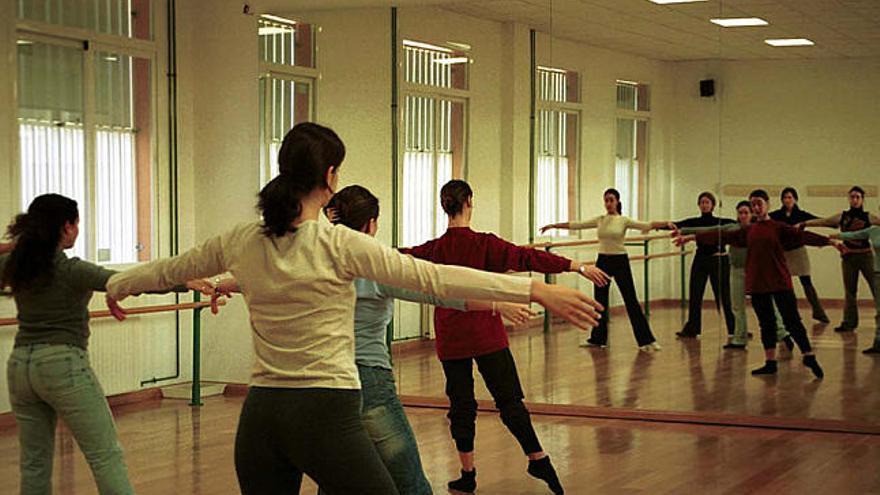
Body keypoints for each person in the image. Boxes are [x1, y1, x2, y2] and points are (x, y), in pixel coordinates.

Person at [104, 123, 603, 495]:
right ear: (330, 176)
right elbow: (433, 277)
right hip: (324, 411)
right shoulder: (338, 244)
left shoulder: (241, 239)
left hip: (261, 416)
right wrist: (534, 290)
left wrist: (119, 283)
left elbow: (170, 269)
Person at [402, 179, 609, 495]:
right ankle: (538, 458)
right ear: (469, 201)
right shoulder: (484, 244)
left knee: (461, 405)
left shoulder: (434, 249)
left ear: (444, 206)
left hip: (451, 338)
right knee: (509, 400)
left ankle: (467, 474)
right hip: (486, 335)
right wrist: (576, 266)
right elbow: (529, 258)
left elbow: (398, 259)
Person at [2, 194, 135, 495]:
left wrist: (16, 246)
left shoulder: (16, 264)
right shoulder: (72, 269)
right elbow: (130, 281)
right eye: (76, 224)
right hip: (62, 365)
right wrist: (185, 281)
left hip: (21, 366)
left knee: (34, 464)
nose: (77, 230)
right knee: (105, 456)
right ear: (66, 227)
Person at [676, 189, 833, 378]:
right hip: (758, 284)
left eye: (759, 203)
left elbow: (803, 236)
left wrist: (830, 242)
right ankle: (770, 362)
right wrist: (691, 237)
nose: (756, 207)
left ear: (768, 204)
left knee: (792, 322)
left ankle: (808, 355)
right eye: (753, 205)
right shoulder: (748, 231)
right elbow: (721, 235)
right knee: (766, 324)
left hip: (779, 282)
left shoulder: (778, 227)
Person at [541, 188, 662, 351]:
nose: (608, 203)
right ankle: (598, 339)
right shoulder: (600, 219)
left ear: (617, 201)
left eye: (611, 200)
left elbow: (646, 225)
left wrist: (667, 224)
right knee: (599, 302)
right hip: (603, 261)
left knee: (631, 300)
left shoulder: (624, 220)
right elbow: (577, 225)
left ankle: (647, 340)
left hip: (620, 261)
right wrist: (553, 225)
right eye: (606, 200)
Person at [677, 200, 792, 350]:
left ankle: (782, 333)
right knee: (737, 306)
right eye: (740, 213)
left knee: (768, 305)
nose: (743, 216)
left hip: (756, 272)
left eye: (746, 213)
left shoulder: (758, 229)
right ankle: (739, 338)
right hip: (737, 271)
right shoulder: (732, 228)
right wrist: (684, 232)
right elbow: (711, 229)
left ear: (752, 214)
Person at [655, 192, 737, 339]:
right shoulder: (694, 222)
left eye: (707, 202)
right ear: (699, 205)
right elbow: (678, 225)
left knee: (724, 296)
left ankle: (735, 328)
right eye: (702, 202)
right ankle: (693, 328)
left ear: (713, 205)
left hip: (718, 259)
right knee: (695, 293)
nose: (704, 205)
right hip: (701, 259)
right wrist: (658, 226)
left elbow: (738, 226)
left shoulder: (722, 222)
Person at [803, 186, 880, 332]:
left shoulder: (869, 217)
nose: (855, 200)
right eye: (852, 197)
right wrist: (805, 224)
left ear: (863, 199)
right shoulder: (842, 216)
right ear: (848, 199)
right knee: (850, 291)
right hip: (848, 256)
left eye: (858, 197)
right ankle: (849, 322)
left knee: (876, 289)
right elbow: (823, 221)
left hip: (866, 256)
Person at [769, 187, 830, 323]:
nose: (787, 200)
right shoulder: (776, 215)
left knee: (806, 282)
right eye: (785, 197)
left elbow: (820, 220)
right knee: (784, 284)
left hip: (798, 252)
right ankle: (789, 313)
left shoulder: (801, 214)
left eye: (790, 197)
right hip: (782, 253)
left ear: (795, 199)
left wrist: (834, 223)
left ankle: (818, 312)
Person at [826, 211, 880, 354]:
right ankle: (878, 343)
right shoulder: (874, 230)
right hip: (877, 272)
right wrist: (834, 236)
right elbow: (854, 235)